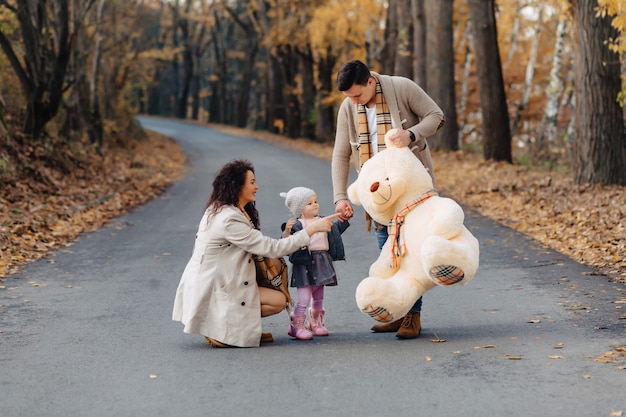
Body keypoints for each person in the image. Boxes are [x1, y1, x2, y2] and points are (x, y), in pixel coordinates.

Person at [331, 59, 445, 339]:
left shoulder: (400, 87)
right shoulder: (349, 107)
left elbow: (436, 115)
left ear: (370, 81)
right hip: (377, 192)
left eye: (357, 94)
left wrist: (411, 134)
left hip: (409, 184)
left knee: (409, 250)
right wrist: (340, 196)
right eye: (349, 97)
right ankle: (399, 311)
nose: (354, 101)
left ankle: (413, 316)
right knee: (388, 251)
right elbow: (341, 153)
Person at [172, 159, 338, 348]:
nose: (257, 187)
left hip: (219, 280)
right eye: (252, 182)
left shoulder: (223, 209)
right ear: (237, 186)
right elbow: (271, 247)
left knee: (274, 265)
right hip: (215, 287)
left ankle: (235, 325)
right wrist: (310, 231)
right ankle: (219, 328)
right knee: (278, 301)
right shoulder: (228, 219)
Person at [280, 187, 349, 340]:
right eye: (309, 203)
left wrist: (344, 220)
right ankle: (296, 325)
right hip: (304, 263)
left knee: (318, 295)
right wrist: (286, 232)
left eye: (315, 201)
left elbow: (335, 230)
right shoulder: (297, 225)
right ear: (299, 209)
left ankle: (315, 321)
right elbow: (286, 244)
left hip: (322, 261)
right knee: (304, 298)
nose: (315, 205)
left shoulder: (322, 220)